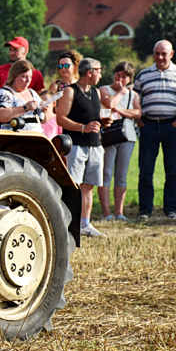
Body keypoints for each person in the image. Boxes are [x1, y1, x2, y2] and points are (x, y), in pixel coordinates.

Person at [133, 40, 176, 220]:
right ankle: (145, 209)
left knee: (172, 170)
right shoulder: (143, 75)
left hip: (172, 127)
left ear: (172, 54)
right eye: (157, 53)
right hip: (148, 126)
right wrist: (141, 123)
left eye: (164, 54)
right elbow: (134, 101)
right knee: (145, 170)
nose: (160, 57)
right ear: (153, 53)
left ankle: (170, 209)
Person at [56, 58, 106, 238]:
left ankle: (85, 223)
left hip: (95, 146)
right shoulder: (70, 91)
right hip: (76, 146)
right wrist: (83, 128)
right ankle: (70, 224)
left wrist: (103, 122)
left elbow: (95, 116)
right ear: (90, 72)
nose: (101, 74)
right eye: (99, 70)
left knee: (88, 186)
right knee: (74, 186)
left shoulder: (96, 92)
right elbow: (60, 118)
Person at [98, 62, 141, 221]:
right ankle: (106, 213)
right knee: (106, 173)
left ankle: (119, 212)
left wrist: (120, 111)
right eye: (118, 75)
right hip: (109, 135)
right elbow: (108, 104)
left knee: (121, 174)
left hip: (128, 136)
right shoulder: (104, 89)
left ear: (130, 78)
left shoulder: (134, 95)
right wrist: (121, 92)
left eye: (124, 77)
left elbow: (137, 113)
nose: (120, 79)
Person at [0, 37, 45, 119]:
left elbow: (41, 100)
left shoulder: (36, 74)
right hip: (5, 123)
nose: (11, 53)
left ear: (25, 51)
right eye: (10, 50)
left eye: (15, 50)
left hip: (28, 124)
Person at [0, 59, 54, 132]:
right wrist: (25, 108)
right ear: (14, 77)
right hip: (13, 139)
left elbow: (44, 120)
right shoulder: (4, 93)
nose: (28, 80)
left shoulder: (32, 93)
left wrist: (45, 110)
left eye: (30, 77)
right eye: (24, 76)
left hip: (35, 139)